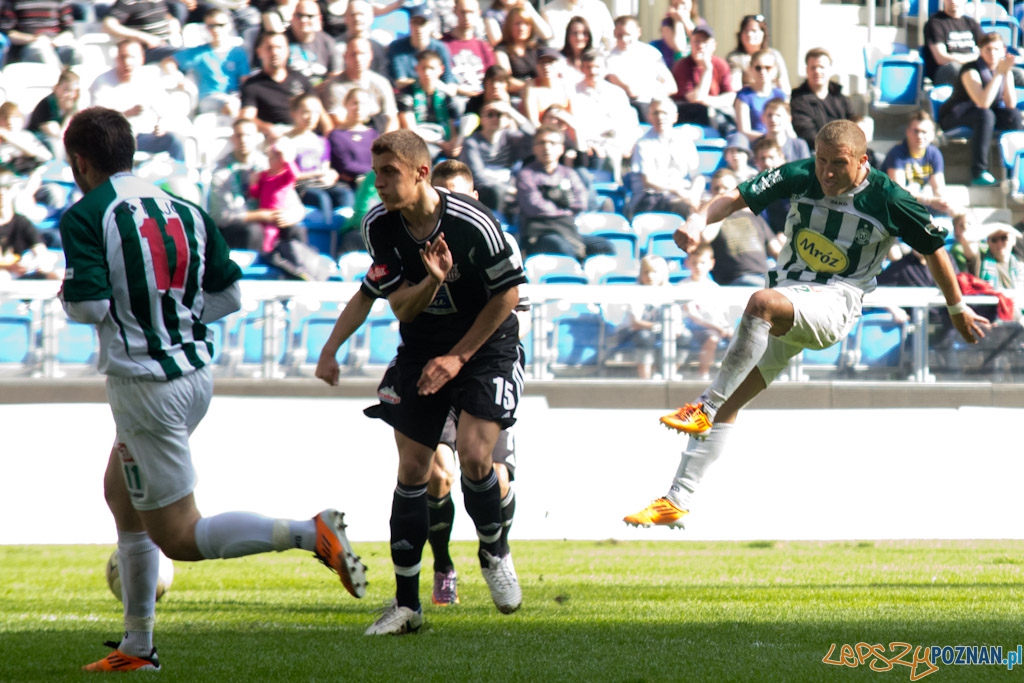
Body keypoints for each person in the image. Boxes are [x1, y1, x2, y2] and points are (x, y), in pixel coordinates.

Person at [59, 107, 365, 672]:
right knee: (119, 491)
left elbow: (90, 306)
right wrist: (171, 313)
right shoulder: (186, 209)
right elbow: (230, 298)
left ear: (80, 162)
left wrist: (76, 296)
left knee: (178, 535)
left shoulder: (86, 216)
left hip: (145, 386)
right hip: (194, 375)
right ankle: (137, 645)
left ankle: (309, 533)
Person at [622, 119, 987, 530]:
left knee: (759, 304)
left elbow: (935, 249)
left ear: (863, 161)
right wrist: (697, 220)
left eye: (839, 164)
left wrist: (957, 308)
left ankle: (703, 406)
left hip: (833, 305)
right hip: (790, 302)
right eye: (821, 162)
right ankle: (676, 500)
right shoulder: (799, 175)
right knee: (733, 402)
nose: (827, 173)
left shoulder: (888, 197)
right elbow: (731, 198)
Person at [316, 159, 521, 607]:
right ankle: (416, 594)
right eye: (376, 173)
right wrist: (330, 349)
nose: (379, 183)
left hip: (484, 353)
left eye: (387, 172)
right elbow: (394, 306)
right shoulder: (383, 228)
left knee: (478, 460)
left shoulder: (484, 230)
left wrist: (458, 356)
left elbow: (510, 295)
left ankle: (494, 550)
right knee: (423, 470)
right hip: (424, 354)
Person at [516, 125, 614, 261]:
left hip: (568, 231)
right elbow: (534, 207)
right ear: (534, 148)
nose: (547, 147)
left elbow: (581, 203)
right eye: (542, 142)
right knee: (564, 249)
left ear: (561, 149)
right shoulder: (526, 175)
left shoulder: (569, 174)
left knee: (605, 247)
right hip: (540, 234)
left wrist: (552, 200)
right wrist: (564, 205)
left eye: (552, 143)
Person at [938, 32, 1021, 186]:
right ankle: (978, 172)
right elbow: (983, 102)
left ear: (1003, 51)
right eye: (988, 49)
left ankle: (1014, 171)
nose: (992, 54)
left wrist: (1006, 73)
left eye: (996, 49)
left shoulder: (1003, 69)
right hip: (955, 115)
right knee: (985, 115)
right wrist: (998, 75)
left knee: (1014, 116)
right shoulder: (970, 70)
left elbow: (1010, 104)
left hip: (983, 114)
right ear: (980, 51)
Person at [89, 38, 188, 162]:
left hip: (144, 137)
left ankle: (180, 175)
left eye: (132, 57)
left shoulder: (149, 78)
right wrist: (125, 114)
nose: (127, 62)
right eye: (123, 57)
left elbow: (166, 110)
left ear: (141, 59)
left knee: (175, 140)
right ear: (117, 59)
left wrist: (163, 125)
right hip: (115, 139)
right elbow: (95, 121)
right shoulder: (102, 82)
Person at [162, 7, 251, 117]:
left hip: (235, 97)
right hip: (209, 98)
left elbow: (245, 80)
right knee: (231, 105)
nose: (216, 29)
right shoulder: (198, 52)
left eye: (221, 25)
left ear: (229, 26)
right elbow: (168, 62)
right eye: (211, 26)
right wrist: (179, 78)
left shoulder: (238, 52)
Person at [570, 48, 639, 183]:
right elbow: (575, 124)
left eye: (597, 67)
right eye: (588, 67)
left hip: (613, 144)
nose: (593, 71)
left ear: (605, 68)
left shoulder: (616, 93)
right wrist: (589, 142)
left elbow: (628, 124)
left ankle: (616, 191)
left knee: (614, 153)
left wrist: (625, 145)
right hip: (585, 145)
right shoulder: (573, 92)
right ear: (581, 68)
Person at [629, 96, 701, 218]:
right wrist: (679, 192)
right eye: (656, 113)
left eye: (665, 113)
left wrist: (695, 193)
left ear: (675, 117)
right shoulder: (643, 144)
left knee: (712, 204)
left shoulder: (685, 140)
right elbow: (648, 181)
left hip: (684, 192)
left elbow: (697, 175)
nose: (660, 117)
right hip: (653, 196)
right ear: (649, 117)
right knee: (682, 206)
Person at [285, 92, 351, 223]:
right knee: (321, 198)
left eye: (315, 112)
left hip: (319, 183)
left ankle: (345, 231)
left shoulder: (321, 141)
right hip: (300, 187)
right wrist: (317, 173)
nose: (310, 117)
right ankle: (324, 234)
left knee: (344, 194)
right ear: (294, 113)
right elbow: (289, 174)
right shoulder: (287, 141)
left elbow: (325, 168)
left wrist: (330, 175)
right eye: (306, 112)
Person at [208, 117, 270, 251]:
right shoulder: (220, 171)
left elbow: (291, 201)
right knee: (253, 230)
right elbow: (220, 216)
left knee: (294, 229)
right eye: (239, 135)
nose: (243, 139)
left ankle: (301, 270)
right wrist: (259, 215)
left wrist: (292, 214)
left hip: (267, 218)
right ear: (232, 139)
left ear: (257, 138)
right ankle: (249, 271)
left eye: (248, 135)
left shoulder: (268, 164)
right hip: (233, 227)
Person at [239, 30, 314, 139]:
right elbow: (246, 118)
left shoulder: (300, 78)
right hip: (274, 140)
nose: (274, 52)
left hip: (303, 135)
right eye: (269, 48)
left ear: (287, 51)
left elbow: (318, 111)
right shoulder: (252, 85)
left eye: (279, 47)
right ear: (259, 52)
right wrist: (265, 127)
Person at [459, 100, 530, 213]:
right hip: (486, 192)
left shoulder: (510, 137)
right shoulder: (471, 142)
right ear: (481, 119)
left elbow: (534, 136)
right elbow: (478, 177)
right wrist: (506, 189)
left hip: (509, 187)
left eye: (499, 114)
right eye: (490, 115)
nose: (495, 118)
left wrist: (510, 111)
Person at [676, 242, 733, 380]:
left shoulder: (714, 288)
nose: (698, 267)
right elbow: (692, 317)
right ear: (687, 263)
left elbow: (721, 314)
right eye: (694, 263)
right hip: (690, 328)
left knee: (737, 338)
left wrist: (727, 328)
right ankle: (703, 374)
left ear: (711, 264)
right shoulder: (683, 287)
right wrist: (718, 328)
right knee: (711, 337)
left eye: (702, 262)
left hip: (713, 327)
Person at [604, 15, 677, 123]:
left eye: (628, 35)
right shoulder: (608, 58)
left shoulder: (650, 54)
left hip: (650, 106)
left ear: (638, 32)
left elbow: (670, 85)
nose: (624, 39)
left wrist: (652, 96)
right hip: (622, 107)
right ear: (614, 33)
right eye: (620, 35)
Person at [882, 110, 955, 215]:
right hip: (893, 205)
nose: (920, 136)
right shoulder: (896, 153)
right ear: (907, 132)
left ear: (932, 134)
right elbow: (899, 192)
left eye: (924, 132)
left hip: (918, 201)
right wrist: (929, 200)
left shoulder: (934, 154)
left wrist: (943, 203)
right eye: (916, 131)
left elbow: (939, 189)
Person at [323, 37, 399, 135]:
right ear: (345, 56)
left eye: (362, 54)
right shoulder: (334, 86)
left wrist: (383, 143)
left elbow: (392, 119)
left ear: (371, 55)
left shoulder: (382, 83)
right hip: (349, 135)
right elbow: (337, 121)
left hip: (380, 135)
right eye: (353, 54)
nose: (358, 59)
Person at [397, 49, 463, 161]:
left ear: (441, 70)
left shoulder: (447, 96)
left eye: (431, 68)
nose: (427, 73)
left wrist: (453, 144)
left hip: (444, 140)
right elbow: (410, 129)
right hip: (420, 142)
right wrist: (440, 144)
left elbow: (453, 129)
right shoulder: (407, 94)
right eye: (423, 68)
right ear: (416, 69)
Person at [670, 25, 734, 132]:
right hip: (688, 113)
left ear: (714, 46)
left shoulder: (720, 64)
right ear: (691, 44)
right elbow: (695, 98)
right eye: (697, 41)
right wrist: (707, 69)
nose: (701, 46)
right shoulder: (682, 65)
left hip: (713, 109)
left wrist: (708, 101)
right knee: (701, 109)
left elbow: (730, 96)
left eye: (705, 42)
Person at [616, 254, 669, 379]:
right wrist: (658, 326)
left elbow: (675, 319)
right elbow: (635, 323)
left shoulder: (669, 290)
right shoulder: (635, 291)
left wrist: (673, 329)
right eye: (646, 272)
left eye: (654, 272)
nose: (650, 276)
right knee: (645, 337)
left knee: (683, 336)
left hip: (658, 330)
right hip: (632, 332)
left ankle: (667, 375)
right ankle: (645, 378)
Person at [789, 47, 853, 152]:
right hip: (816, 154)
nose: (817, 71)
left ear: (830, 70)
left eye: (822, 67)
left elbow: (853, 123)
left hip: (846, 149)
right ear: (807, 70)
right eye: (813, 67)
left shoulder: (841, 98)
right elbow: (808, 135)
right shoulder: (798, 99)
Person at [0, 172, 59, 280]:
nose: (2, 193)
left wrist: (40, 263)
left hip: (20, 273)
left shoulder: (21, 222)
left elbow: (40, 250)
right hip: (4, 275)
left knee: (57, 275)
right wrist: (8, 267)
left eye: (6, 188)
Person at [387, 5, 457, 91]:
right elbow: (399, 81)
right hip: (409, 93)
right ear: (409, 24)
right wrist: (423, 81)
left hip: (437, 92)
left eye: (422, 23)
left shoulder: (440, 48)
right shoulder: (397, 47)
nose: (418, 28)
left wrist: (432, 83)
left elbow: (449, 81)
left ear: (431, 25)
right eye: (415, 23)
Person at [924, 0, 986, 86]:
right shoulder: (935, 23)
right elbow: (941, 58)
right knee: (956, 68)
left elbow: (986, 48)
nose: (953, 1)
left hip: (971, 67)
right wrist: (972, 58)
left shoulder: (971, 23)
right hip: (946, 71)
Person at [726, 13, 790, 94]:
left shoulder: (774, 54)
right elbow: (735, 87)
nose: (749, 35)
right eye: (745, 31)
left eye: (754, 31)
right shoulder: (735, 58)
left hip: (774, 100)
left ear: (763, 33)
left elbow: (784, 82)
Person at [443, 0, 496, 98]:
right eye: (463, 12)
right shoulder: (443, 45)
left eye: (471, 12)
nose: (467, 17)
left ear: (478, 13)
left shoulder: (484, 46)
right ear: (455, 11)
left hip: (481, 99)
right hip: (455, 99)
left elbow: (492, 76)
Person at [0, 0, 78, 67]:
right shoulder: (11, 2)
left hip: (57, 41)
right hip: (28, 44)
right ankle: (57, 82)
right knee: (41, 48)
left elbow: (68, 30)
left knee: (76, 50)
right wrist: (35, 39)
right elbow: (8, 32)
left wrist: (56, 41)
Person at [733, 49, 787, 143]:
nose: (763, 71)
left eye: (768, 67)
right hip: (756, 144)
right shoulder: (744, 96)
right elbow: (744, 131)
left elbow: (787, 127)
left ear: (774, 69)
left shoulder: (780, 95)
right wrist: (769, 138)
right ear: (751, 69)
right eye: (758, 68)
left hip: (780, 142)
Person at [102, 0, 182, 63]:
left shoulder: (158, 1)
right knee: (180, 55)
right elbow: (108, 24)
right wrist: (141, 36)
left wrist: (172, 20)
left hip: (166, 45)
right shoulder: (129, 2)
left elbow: (163, 15)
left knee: (189, 54)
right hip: (145, 51)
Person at [27, 68, 82, 160]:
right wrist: (69, 114)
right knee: (58, 144)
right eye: (66, 90)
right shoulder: (46, 105)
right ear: (56, 88)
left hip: (55, 142)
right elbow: (58, 135)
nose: (69, 95)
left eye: (73, 91)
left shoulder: (73, 106)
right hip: (39, 141)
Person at [285, 0, 341, 85]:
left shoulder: (328, 42)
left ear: (319, 19)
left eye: (310, 16)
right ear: (292, 17)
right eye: (299, 15)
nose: (304, 20)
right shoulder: (281, 42)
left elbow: (335, 74)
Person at [521, 47, 574, 127]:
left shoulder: (566, 85)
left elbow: (573, 117)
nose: (546, 66)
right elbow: (533, 121)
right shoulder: (531, 86)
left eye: (550, 62)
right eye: (542, 62)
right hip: (541, 134)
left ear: (559, 64)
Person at [494, 6, 541, 96]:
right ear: (509, 26)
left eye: (526, 24)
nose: (522, 28)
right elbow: (506, 81)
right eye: (517, 24)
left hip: (537, 94)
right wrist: (532, 88)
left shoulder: (536, 48)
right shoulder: (501, 49)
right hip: (516, 96)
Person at [543, 0, 613, 52]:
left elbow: (611, 41)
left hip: (593, 64)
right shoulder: (548, 11)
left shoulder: (598, 8)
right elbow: (549, 47)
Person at [761, 97, 809, 162]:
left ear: (789, 119)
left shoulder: (799, 145)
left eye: (778, 115)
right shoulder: (756, 146)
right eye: (769, 115)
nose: (773, 119)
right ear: (762, 118)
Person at [559, 15, 592, 86]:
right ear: (568, 36)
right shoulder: (559, 59)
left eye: (584, 33)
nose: (579, 37)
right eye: (575, 33)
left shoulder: (595, 60)